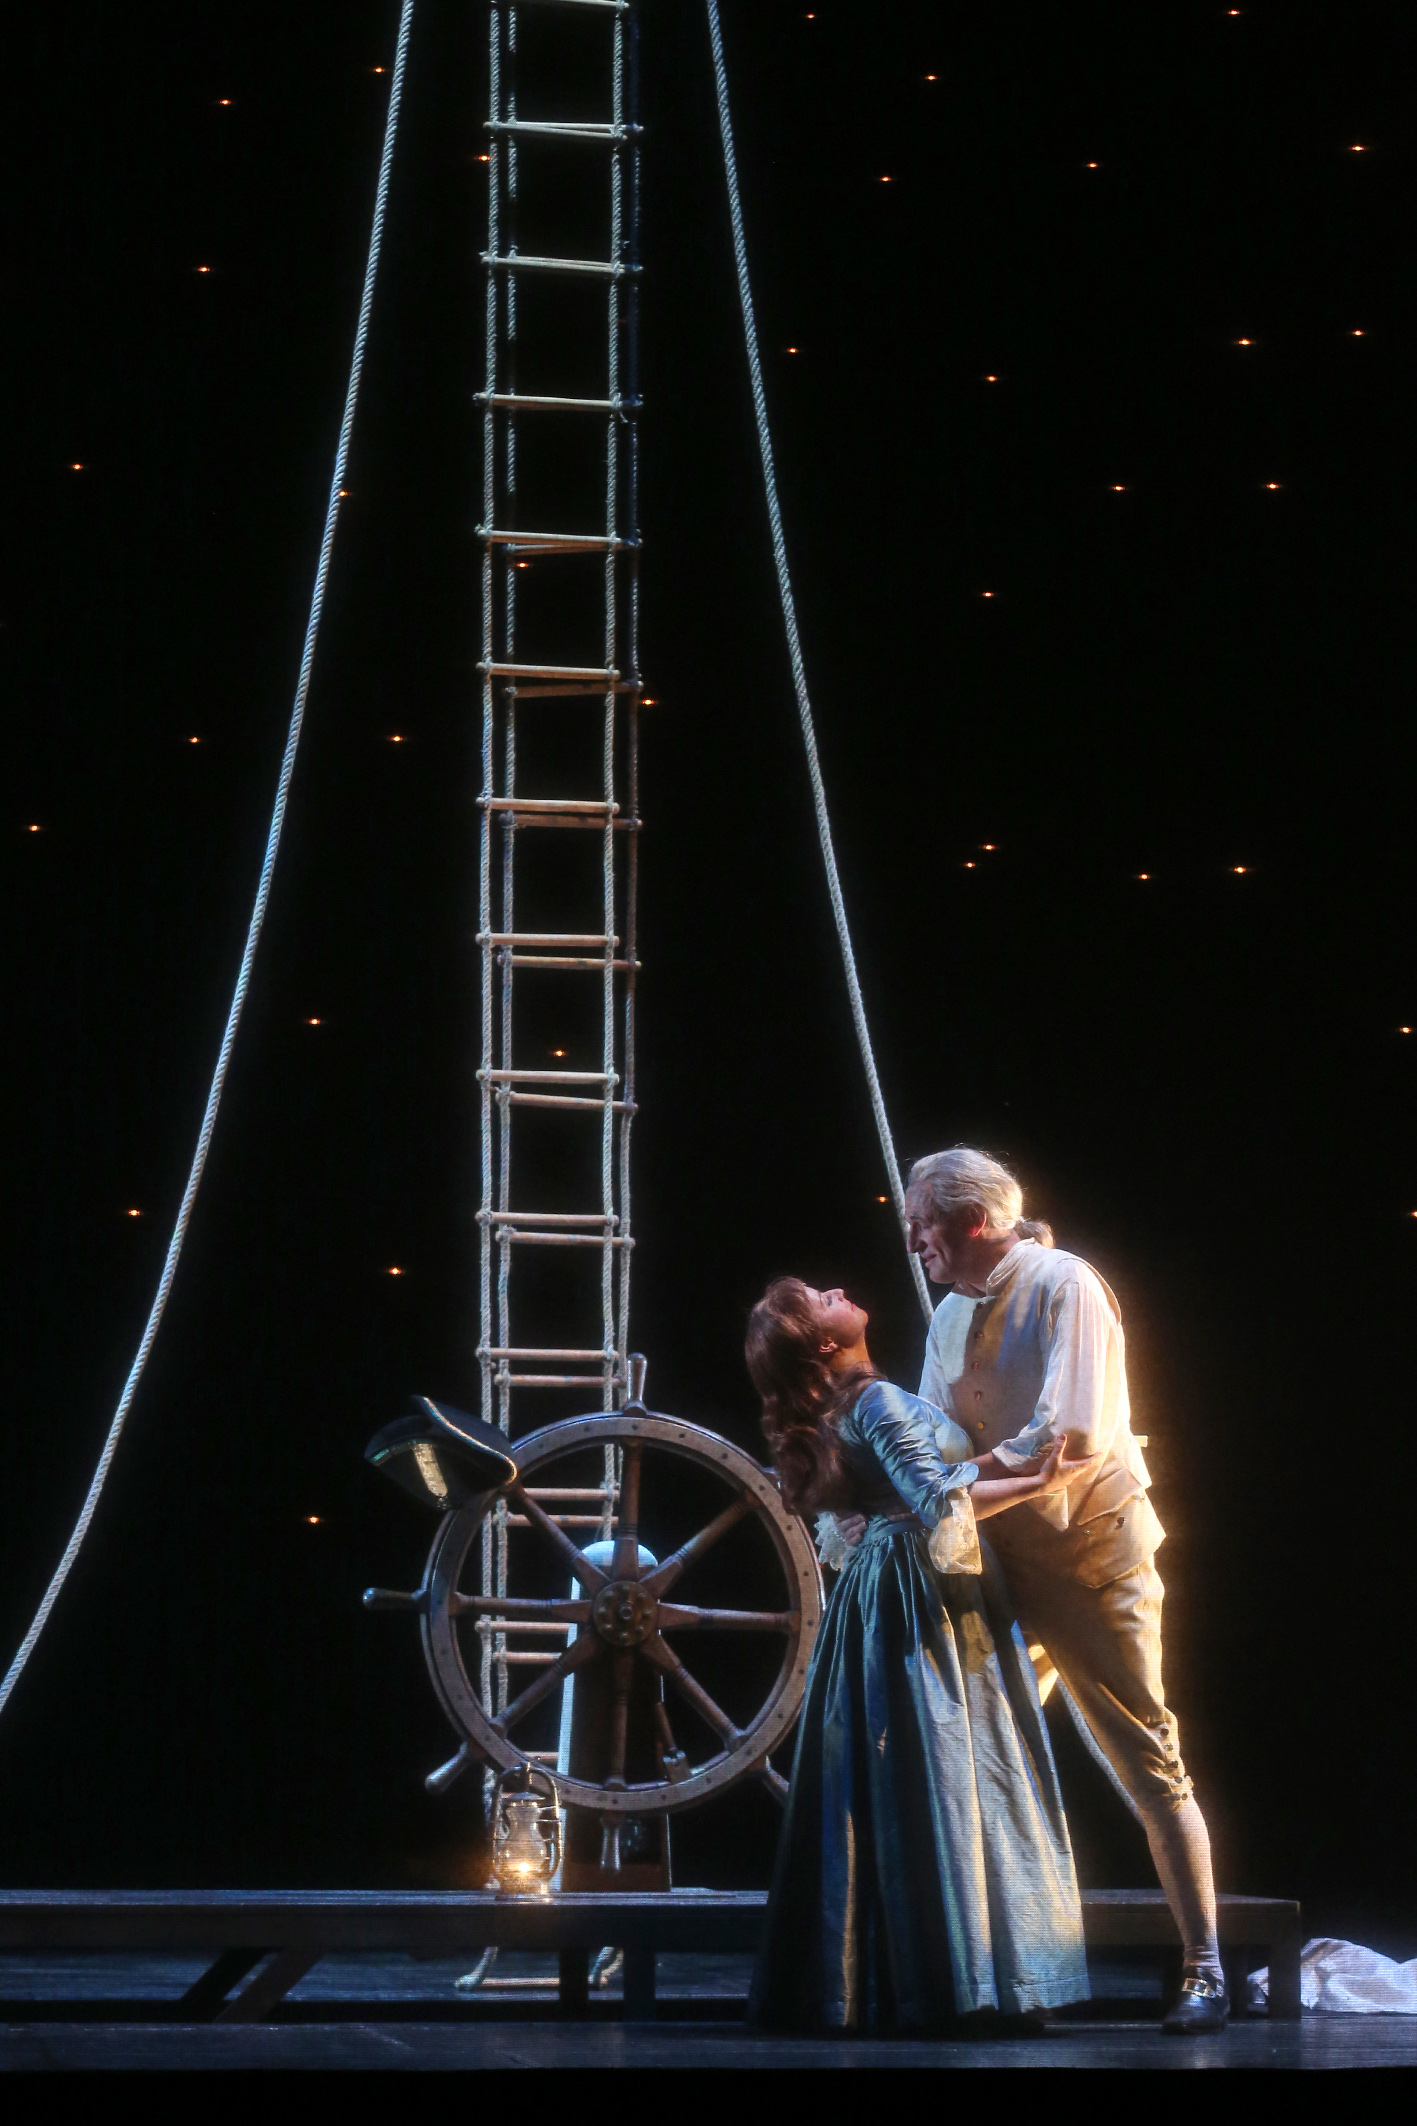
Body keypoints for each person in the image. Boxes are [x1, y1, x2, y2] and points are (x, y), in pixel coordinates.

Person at [901, 1145, 1227, 2034]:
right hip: (1001, 1569)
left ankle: (1204, 1967)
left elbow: (1071, 1434)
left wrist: (954, 1487)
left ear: (970, 1218)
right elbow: (936, 1441)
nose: (911, 1231)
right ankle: (1003, 1973)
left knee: (1146, 1758)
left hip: (1091, 1562)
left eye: (920, 1215)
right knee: (970, 1757)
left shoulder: (1062, 1284)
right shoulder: (945, 1317)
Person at [744, 1276, 1096, 2035]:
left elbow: (896, 1498)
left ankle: (898, 1973)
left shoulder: (844, 1408)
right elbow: (938, 1501)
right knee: (950, 1759)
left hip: (876, 1587)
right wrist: (1033, 1482)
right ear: (826, 1341)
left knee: (897, 1769)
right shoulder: (872, 1402)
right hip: (919, 1591)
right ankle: (961, 1979)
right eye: (821, 1296)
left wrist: (1003, 1476)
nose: (839, 1288)